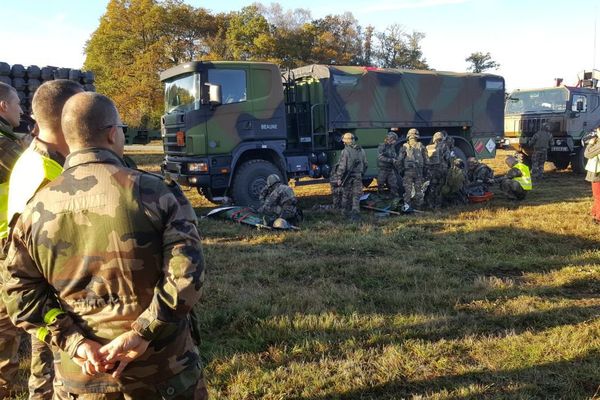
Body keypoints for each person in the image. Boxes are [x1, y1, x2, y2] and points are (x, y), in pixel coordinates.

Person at [1, 92, 208, 399]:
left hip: (82, 379)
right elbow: (186, 276)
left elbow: (17, 292)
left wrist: (74, 342)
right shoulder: (156, 193)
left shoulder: (34, 210)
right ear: (112, 133)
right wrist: (142, 333)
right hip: (165, 374)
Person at [5, 80, 83, 400]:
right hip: (51, 293)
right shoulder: (52, 174)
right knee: (51, 371)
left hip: (36, 286)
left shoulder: (30, 156)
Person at [0, 81, 27, 398]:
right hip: (5, 241)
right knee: (7, 321)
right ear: (3, 106)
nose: (22, 109)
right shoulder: (6, 146)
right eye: (18, 103)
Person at [336, 132, 367, 221]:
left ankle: (344, 213)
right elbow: (365, 164)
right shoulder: (361, 150)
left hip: (348, 177)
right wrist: (361, 173)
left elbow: (342, 166)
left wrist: (339, 177)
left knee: (346, 194)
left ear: (346, 142)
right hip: (358, 176)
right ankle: (355, 213)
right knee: (356, 196)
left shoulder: (345, 151)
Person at [400, 128, 428, 210]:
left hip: (408, 172)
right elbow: (426, 160)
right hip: (419, 172)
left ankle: (407, 208)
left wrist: (401, 170)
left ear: (408, 136)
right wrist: (425, 170)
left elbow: (399, 160)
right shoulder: (421, 145)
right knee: (418, 191)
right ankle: (418, 208)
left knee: (407, 191)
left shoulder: (405, 146)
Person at [425, 131, 451, 210]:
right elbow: (448, 158)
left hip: (431, 171)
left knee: (432, 188)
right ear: (442, 138)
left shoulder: (428, 147)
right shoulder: (444, 146)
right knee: (440, 189)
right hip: (441, 171)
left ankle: (430, 205)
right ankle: (437, 206)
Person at [584, 128, 600, 223]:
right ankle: (595, 213)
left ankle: (598, 217)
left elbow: (587, 154)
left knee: (598, 195)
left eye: (597, 131)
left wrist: (591, 143)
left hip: (597, 172)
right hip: (596, 171)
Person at [377, 131, 400, 198]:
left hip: (390, 169)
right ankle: (380, 197)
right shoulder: (382, 146)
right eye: (394, 140)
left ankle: (394, 197)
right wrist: (391, 160)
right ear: (390, 139)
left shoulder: (391, 146)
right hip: (383, 169)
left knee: (394, 185)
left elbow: (394, 155)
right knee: (380, 184)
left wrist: (396, 160)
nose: (394, 142)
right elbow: (380, 157)